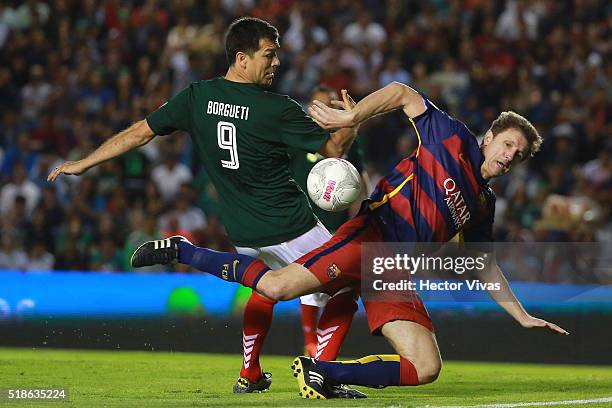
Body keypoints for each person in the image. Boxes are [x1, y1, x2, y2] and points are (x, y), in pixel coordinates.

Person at [129, 81, 569, 399]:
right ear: (490, 137)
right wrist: (352, 117)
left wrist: (521, 315)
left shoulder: (483, 203)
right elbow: (403, 92)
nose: (510, 156)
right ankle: (182, 250)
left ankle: (322, 372)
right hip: (369, 237)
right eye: (508, 144)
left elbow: (482, 264)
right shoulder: (449, 137)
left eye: (519, 155)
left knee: (427, 368)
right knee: (279, 288)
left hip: (392, 272)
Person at [47, 17, 361, 396]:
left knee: (263, 290)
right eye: (269, 55)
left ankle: (249, 373)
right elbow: (334, 151)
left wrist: (84, 162)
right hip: (290, 224)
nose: (277, 63)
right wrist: (353, 120)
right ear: (241, 59)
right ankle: (321, 372)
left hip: (242, 229)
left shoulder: (197, 97)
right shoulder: (276, 108)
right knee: (349, 283)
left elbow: (141, 132)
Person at [288, 84, 370, 358]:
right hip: (304, 223)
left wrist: (364, 213)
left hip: (338, 225)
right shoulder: (298, 137)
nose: (322, 111)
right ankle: (311, 341)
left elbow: (360, 177)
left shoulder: (349, 141)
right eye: (318, 105)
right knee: (312, 281)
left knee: (337, 286)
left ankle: (321, 344)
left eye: (328, 105)